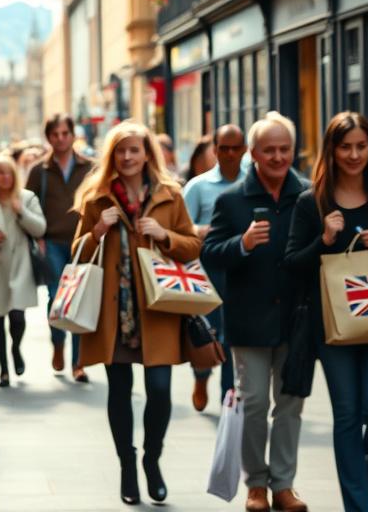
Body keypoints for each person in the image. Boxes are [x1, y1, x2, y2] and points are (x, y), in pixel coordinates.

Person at [284, 112, 368, 512]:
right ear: (333, 150)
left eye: (361, 146)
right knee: (346, 415)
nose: (354, 154)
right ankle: (358, 505)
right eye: (345, 146)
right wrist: (324, 239)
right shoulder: (312, 202)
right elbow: (292, 264)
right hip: (333, 327)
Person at [71, 121, 201, 505]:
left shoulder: (169, 194)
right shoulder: (97, 198)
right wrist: (96, 230)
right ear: (113, 156)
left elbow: (192, 246)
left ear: (147, 153)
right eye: (121, 151)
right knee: (119, 392)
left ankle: (152, 460)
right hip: (115, 314)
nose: (128, 157)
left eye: (134, 150)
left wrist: (165, 236)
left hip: (157, 311)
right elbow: (76, 254)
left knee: (160, 392)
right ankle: (127, 465)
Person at [202, 113, 310, 512]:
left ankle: (284, 484)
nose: (279, 157)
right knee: (254, 403)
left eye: (285, 149)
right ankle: (256, 484)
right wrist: (243, 244)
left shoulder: (308, 196)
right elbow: (210, 252)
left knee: (290, 403)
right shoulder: (232, 200)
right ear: (253, 154)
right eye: (270, 150)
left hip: (297, 319)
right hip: (249, 319)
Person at [26, 114, 93, 381]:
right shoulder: (39, 170)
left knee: (77, 301)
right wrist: (37, 238)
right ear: (48, 138)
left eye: (65, 133)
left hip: (83, 243)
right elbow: (28, 204)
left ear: (73, 135)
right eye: (55, 134)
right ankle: (58, 343)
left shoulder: (89, 167)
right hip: (51, 241)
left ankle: (78, 362)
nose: (61, 138)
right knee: (56, 298)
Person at [183, 125, 245, 411]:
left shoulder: (251, 185)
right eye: (224, 148)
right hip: (206, 269)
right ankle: (201, 375)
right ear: (215, 150)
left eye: (236, 148)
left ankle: (228, 399)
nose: (230, 154)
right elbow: (181, 229)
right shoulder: (199, 186)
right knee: (207, 332)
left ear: (245, 149)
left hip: (241, 268)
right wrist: (200, 230)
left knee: (232, 336)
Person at [0, 155, 46, 387]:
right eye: (0, 173)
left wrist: (21, 212)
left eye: (8, 173)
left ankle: (16, 348)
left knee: (17, 315)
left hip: (20, 264)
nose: (4, 177)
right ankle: (3, 369)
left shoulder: (26, 198)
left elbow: (40, 228)